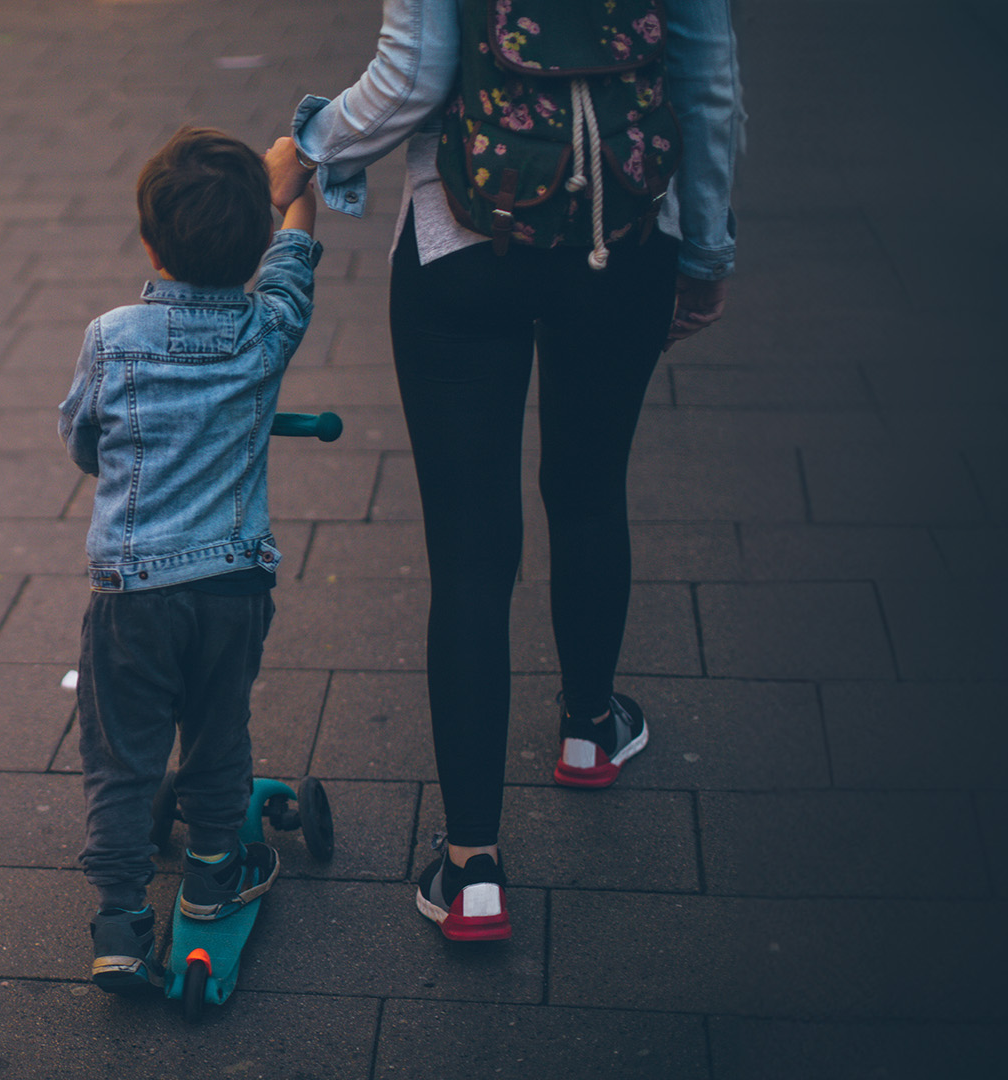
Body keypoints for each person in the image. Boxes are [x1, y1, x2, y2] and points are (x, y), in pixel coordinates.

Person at [281, 0, 741, 942]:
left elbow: (410, 83)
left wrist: (311, 144)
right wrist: (706, 246)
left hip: (464, 241)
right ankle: (588, 730)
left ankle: (472, 868)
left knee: (470, 555)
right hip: (622, 237)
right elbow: (707, 87)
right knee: (587, 486)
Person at [61, 126, 324, 995]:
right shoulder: (267, 329)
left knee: (122, 753)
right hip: (232, 588)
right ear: (251, 245)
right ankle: (214, 876)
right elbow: (296, 259)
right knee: (218, 732)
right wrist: (297, 183)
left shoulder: (111, 335)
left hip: (133, 592)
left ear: (148, 242)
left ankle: (118, 922)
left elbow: (84, 441)